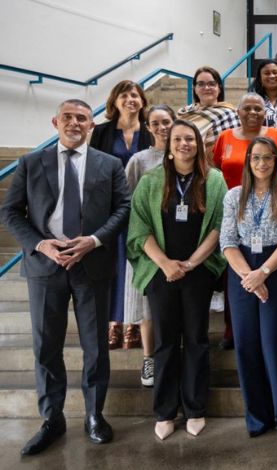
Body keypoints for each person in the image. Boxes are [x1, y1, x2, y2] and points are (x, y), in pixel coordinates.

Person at [2, 99, 130, 455]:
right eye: (68, 117)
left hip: (92, 265)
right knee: (46, 346)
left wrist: (94, 240)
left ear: (91, 125)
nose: (75, 123)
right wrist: (40, 244)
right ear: (55, 122)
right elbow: (10, 212)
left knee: (95, 347)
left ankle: (94, 415)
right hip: (46, 267)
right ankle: (51, 419)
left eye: (82, 118)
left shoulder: (109, 164)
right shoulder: (31, 163)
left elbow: (123, 207)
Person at [127, 119, 227, 440]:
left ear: (199, 145)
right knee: (166, 341)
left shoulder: (214, 180)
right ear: (169, 147)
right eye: (178, 139)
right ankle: (165, 411)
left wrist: (193, 263)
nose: (185, 144)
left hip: (199, 272)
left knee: (196, 339)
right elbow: (139, 227)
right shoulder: (151, 180)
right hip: (161, 273)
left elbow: (220, 226)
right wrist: (166, 264)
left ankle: (195, 409)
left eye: (190, 139)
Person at [221, 136, 277, 437]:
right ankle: (257, 418)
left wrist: (263, 273)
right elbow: (227, 241)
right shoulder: (234, 195)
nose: (262, 163)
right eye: (256, 157)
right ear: (248, 161)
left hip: (276, 270)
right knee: (246, 346)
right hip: (242, 272)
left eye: (268, 157)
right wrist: (250, 278)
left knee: (276, 345)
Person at [213, 93, 277, 350]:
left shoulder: (275, 135)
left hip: (267, 210)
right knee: (232, 273)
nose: (253, 113)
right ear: (238, 112)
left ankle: (264, 333)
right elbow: (215, 170)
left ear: (265, 112)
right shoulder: (225, 137)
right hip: (234, 210)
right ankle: (232, 329)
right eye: (247, 108)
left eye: (258, 108)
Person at [89, 80, 151, 351]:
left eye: (135, 95)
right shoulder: (102, 132)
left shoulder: (149, 130)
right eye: (124, 95)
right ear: (114, 101)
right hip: (110, 209)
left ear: (142, 101)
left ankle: (134, 324)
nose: (130, 100)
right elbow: (92, 168)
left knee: (136, 265)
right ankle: (113, 323)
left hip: (143, 210)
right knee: (114, 266)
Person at [124, 104, 177, 387]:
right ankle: (149, 358)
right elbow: (127, 202)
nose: (161, 127)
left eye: (166, 121)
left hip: (178, 241)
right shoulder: (139, 161)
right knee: (146, 307)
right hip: (147, 243)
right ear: (148, 128)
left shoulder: (184, 154)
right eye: (155, 123)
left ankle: (174, 358)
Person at [177, 65, 240, 159]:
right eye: (201, 84)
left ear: (219, 88)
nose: (206, 88)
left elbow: (234, 147)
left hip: (219, 166)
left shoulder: (230, 114)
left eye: (212, 84)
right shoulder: (185, 113)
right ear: (195, 89)